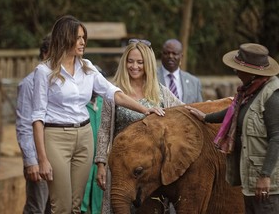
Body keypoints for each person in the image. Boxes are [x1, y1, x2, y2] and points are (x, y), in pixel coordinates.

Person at [31, 15, 164, 214]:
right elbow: (37, 117)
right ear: (64, 38)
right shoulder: (43, 72)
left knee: (77, 206)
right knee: (61, 206)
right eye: (78, 38)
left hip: (84, 137)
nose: (83, 42)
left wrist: (145, 109)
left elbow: (114, 93)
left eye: (84, 37)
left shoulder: (87, 67)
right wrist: (42, 159)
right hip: (56, 137)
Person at [185, 43, 279, 214]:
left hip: (267, 183)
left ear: (252, 72)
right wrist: (205, 117)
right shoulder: (249, 92)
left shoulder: (271, 96)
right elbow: (236, 112)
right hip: (250, 177)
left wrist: (265, 176)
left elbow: (277, 137)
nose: (235, 72)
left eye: (238, 68)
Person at [95, 38, 183, 213]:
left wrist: (207, 110)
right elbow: (104, 129)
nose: (134, 66)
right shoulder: (114, 92)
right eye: (130, 61)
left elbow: (182, 113)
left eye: (140, 62)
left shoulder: (161, 93)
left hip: (151, 171)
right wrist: (100, 164)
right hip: (121, 168)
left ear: (148, 64)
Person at [16, 34, 51, 214]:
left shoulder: (58, 82)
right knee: (36, 207)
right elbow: (24, 125)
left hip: (56, 156)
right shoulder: (29, 83)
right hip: (38, 158)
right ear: (45, 54)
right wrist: (31, 161)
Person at [81, 69, 105, 214]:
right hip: (82, 159)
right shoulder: (79, 105)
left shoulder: (105, 104)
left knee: (100, 202)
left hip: (101, 161)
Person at [157, 39, 203, 103]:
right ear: (161, 55)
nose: (170, 56)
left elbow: (200, 108)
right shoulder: (150, 76)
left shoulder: (194, 82)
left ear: (181, 56)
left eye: (174, 53)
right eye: (167, 53)